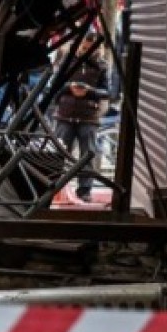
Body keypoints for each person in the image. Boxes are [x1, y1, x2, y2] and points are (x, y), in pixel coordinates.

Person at [53, 29, 111, 202]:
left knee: (88, 154)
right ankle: (51, 187)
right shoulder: (68, 61)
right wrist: (69, 88)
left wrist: (90, 92)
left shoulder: (102, 65)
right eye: (84, 48)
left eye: (91, 49)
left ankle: (84, 190)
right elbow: (55, 85)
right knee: (59, 154)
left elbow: (107, 92)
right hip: (65, 114)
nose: (87, 52)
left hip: (89, 117)